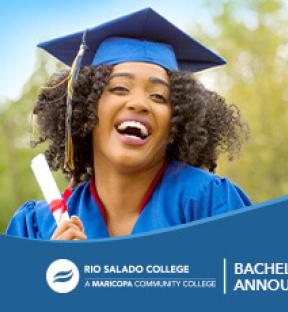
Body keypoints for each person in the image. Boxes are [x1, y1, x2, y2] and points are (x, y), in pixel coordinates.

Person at [6, 7, 251, 240]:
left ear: (178, 121)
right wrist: (51, 272)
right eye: (120, 88)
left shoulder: (210, 205)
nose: (139, 103)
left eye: (158, 96)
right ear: (86, 109)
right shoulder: (39, 227)